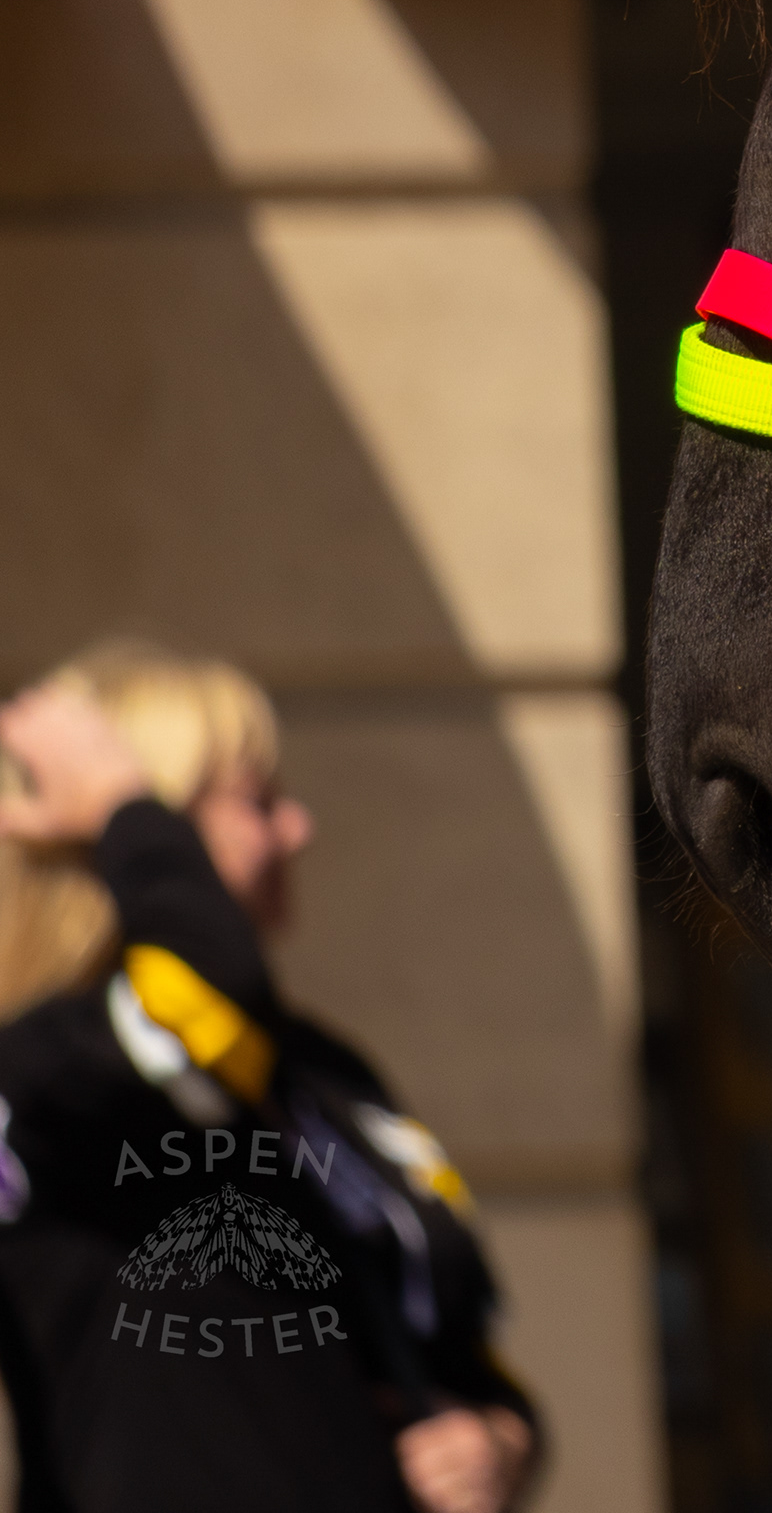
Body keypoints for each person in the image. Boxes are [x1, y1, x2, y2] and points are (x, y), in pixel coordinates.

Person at [0, 642, 539, 1511]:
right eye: (259, 803)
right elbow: (202, 1000)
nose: (301, 829)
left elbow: (455, 1348)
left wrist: (500, 1439)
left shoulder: (321, 1067)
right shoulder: (49, 1071)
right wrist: (124, 803)